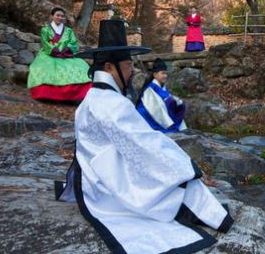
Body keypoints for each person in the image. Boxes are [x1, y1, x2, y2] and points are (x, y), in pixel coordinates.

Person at [55, 20, 233, 254]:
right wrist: (186, 166)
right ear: (110, 68)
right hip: (107, 187)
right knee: (177, 181)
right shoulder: (111, 103)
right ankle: (211, 215)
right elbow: (144, 144)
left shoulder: (92, 98)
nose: (132, 72)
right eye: (128, 65)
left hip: (94, 179)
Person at [27, 7, 91, 100]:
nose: (60, 18)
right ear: (52, 16)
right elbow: (45, 42)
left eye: (62, 16)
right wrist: (55, 51)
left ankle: (78, 95)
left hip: (66, 54)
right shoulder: (45, 30)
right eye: (57, 15)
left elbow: (73, 42)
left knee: (81, 66)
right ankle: (46, 95)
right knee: (42, 67)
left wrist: (66, 50)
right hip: (49, 53)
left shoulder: (68, 31)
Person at [136, 58, 187, 133]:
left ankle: (177, 125)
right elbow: (154, 107)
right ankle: (169, 125)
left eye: (166, 73)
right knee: (171, 101)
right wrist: (167, 123)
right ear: (155, 75)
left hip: (162, 111)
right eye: (163, 73)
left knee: (180, 103)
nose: (165, 76)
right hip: (150, 113)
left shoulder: (163, 87)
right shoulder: (150, 88)